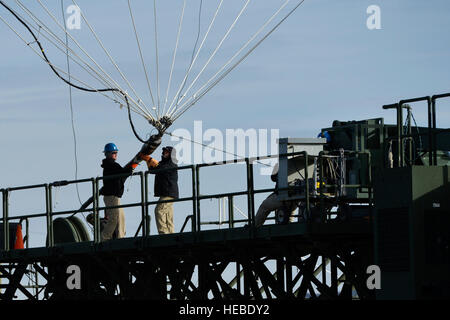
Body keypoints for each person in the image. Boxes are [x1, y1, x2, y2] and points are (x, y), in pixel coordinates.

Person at [99, 143, 133, 241]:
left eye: (116, 152)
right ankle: (104, 238)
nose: (115, 154)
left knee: (121, 217)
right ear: (107, 154)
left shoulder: (111, 165)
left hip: (115, 197)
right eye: (113, 153)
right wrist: (131, 167)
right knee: (113, 219)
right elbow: (122, 173)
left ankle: (120, 237)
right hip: (111, 196)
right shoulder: (111, 165)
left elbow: (121, 174)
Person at [254, 163, 297, 227]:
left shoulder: (281, 162)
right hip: (298, 197)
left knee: (264, 206)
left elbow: (273, 178)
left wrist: (276, 169)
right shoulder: (304, 161)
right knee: (290, 208)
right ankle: (289, 224)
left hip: (283, 196)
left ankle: (255, 226)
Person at [150, 146, 179, 234]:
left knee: (159, 210)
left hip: (168, 193)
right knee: (167, 214)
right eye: (163, 152)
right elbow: (153, 170)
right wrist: (149, 161)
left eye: (166, 152)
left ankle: (163, 233)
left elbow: (160, 169)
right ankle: (170, 233)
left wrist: (150, 160)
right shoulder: (163, 163)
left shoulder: (171, 163)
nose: (163, 153)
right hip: (166, 192)